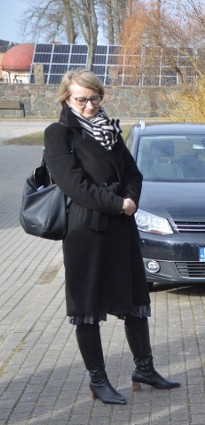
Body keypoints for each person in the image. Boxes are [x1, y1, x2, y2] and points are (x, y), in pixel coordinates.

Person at [43, 69, 179, 405]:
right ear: (67, 99)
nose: (89, 105)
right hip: (86, 230)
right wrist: (119, 203)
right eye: (82, 99)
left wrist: (130, 199)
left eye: (94, 98)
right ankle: (98, 381)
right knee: (87, 307)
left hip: (121, 227)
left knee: (135, 302)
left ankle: (144, 369)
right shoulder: (59, 134)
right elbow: (73, 184)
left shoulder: (111, 131)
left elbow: (133, 172)